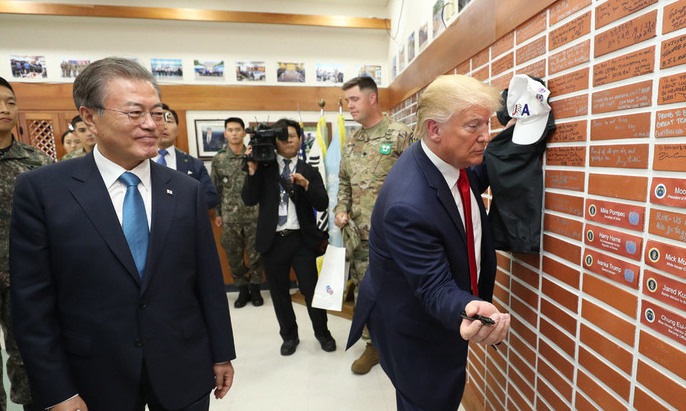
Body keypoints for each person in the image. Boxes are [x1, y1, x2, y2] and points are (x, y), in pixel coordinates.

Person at [10, 57, 236, 411]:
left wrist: (222, 354)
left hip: (181, 367)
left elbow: (207, 282)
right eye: (134, 113)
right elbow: (31, 305)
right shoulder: (43, 190)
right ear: (89, 117)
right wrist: (58, 391)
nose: (152, 125)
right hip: (93, 377)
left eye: (157, 112)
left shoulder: (186, 190)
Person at [346, 75, 511, 411]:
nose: (485, 136)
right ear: (435, 130)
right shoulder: (408, 204)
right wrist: (469, 307)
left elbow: (471, 180)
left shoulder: (447, 159)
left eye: (488, 124)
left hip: (434, 312)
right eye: (473, 126)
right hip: (415, 328)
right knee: (431, 400)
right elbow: (434, 288)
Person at [334, 76, 413, 375]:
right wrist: (341, 209)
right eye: (346, 101)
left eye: (353, 99)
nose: (349, 106)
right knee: (367, 293)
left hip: (396, 237)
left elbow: (416, 180)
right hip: (360, 237)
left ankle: (401, 344)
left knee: (402, 293)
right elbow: (343, 183)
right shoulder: (351, 141)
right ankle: (373, 345)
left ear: (371, 99)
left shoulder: (400, 135)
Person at [242, 118, 335, 356]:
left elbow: (323, 203)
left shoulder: (309, 170)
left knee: (311, 291)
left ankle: (322, 334)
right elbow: (249, 199)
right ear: (275, 141)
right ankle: (289, 337)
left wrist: (306, 186)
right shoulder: (264, 168)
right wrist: (251, 172)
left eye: (293, 136)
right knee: (279, 293)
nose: (289, 140)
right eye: (284, 137)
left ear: (301, 139)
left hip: (301, 240)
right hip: (273, 241)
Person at [0, 76, 52, 411]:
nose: (4, 109)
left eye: (10, 102)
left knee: (26, 354)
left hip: (22, 279)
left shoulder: (37, 164)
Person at [211, 117, 263, 308]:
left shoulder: (253, 155)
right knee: (234, 256)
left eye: (238, 129)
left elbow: (261, 185)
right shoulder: (219, 159)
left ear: (244, 132)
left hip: (254, 215)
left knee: (256, 255)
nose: (234, 133)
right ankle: (242, 289)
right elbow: (215, 188)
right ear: (225, 133)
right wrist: (217, 213)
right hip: (230, 217)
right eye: (230, 130)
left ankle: (256, 289)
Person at [155, 103, 219, 209]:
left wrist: (180, 206)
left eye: (169, 121)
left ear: (177, 131)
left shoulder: (194, 164)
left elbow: (211, 197)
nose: (164, 126)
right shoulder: (137, 161)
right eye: (159, 121)